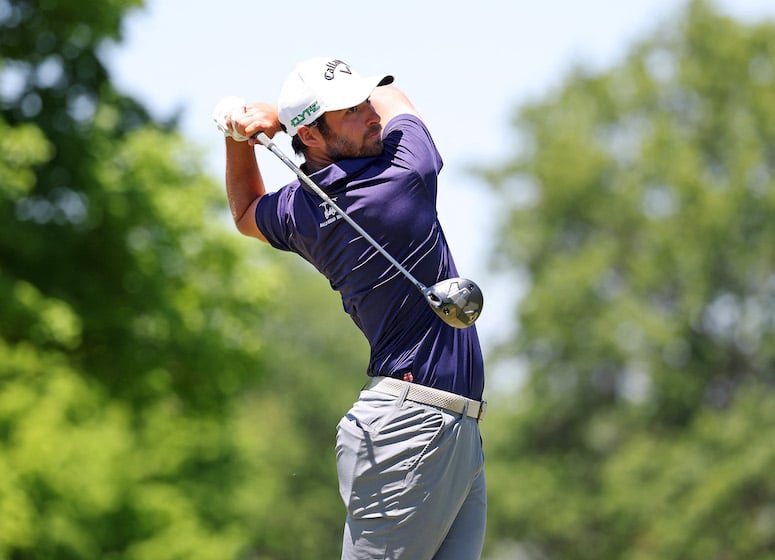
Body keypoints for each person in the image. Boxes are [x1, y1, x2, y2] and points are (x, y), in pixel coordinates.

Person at [213, 56, 487, 560]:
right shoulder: (404, 171)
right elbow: (396, 97)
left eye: (363, 102)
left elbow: (247, 212)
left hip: (447, 428)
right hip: (411, 429)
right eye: (351, 111)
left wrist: (238, 137)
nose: (370, 115)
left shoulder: (300, 210)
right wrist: (277, 116)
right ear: (310, 135)